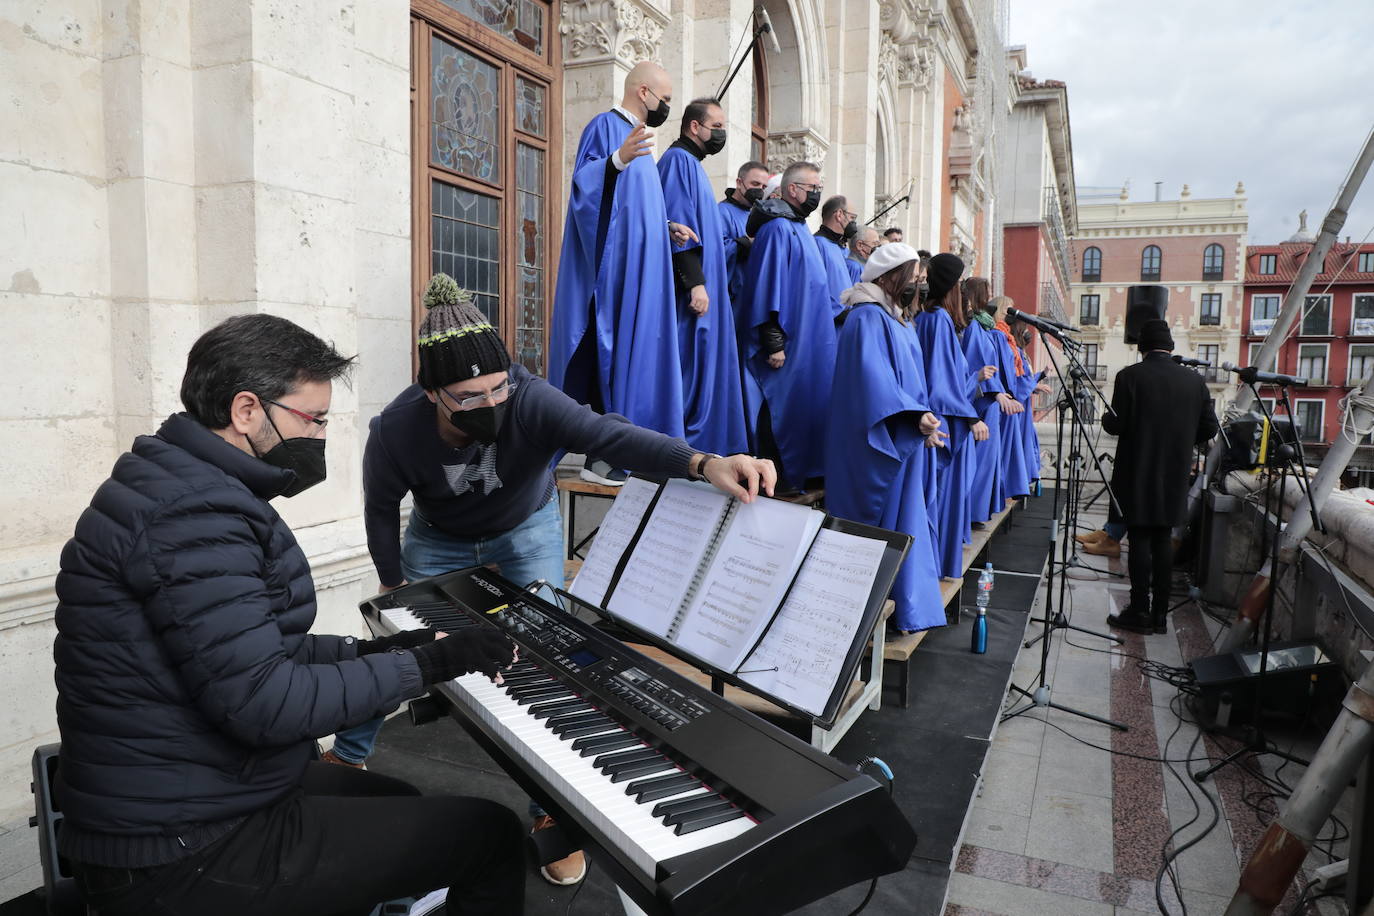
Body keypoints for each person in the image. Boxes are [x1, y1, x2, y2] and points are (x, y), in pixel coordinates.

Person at [51, 314, 526, 916]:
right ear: (247, 410)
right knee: (490, 835)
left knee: (395, 795)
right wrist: (428, 664)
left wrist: (373, 653)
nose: (323, 437)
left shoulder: (185, 484)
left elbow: (256, 650)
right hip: (175, 850)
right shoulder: (192, 516)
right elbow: (265, 703)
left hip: (199, 790)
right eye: (315, 419)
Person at [341, 274, 777, 883]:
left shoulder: (531, 399)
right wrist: (392, 585)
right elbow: (379, 510)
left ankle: (551, 813)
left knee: (553, 652)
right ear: (432, 391)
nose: (490, 403)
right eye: (469, 396)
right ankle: (347, 759)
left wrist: (703, 463)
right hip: (437, 538)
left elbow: (611, 435)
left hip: (527, 525)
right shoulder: (395, 430)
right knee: (404, 641)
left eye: (498, 386)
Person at [549, 60, 697, 485]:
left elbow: (632, 208)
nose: (667, 106)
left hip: (645, 272)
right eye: (665, 99)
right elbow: (585, 189)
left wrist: (665, 227)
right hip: (617, 277)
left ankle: (647, 453)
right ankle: (608, 457)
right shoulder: (607, 127)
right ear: (644, 92)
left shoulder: (643, 144)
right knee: (613, 357)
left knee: (644, 359)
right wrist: (615, 160)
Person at [825, 243, 948, 632]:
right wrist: (913, 419)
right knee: (893, 521)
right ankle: (892, 609)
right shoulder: (866, 318)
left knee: (909, 518)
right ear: (891, 276)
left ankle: (909, 606)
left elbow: (911, 382)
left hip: (905, 436)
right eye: (915, 277)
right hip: (880, 440)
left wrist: (922, 423)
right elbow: (871, 382)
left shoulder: (896, 319)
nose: (919, 285)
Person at [1102, 319, 1219, 634]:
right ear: (1171, 347)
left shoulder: (1129, 377)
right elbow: (1209, 428)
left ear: (1141, 347)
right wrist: (1180, 441)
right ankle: (1159, 616)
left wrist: (1105, 418)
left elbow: (1117, 424)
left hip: (1136, 470)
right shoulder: (1194, 382)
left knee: (1139, 538)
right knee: (1163, 539)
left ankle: (1138, 611)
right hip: (1174, 471)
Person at [657, 98, 749, 456]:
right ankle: (687, 452)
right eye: (718, 125)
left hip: (706, 294)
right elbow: (682, 226)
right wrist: (695, 282)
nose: (722, 133)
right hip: (692, 297)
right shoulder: (679, 161)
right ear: (695, 127)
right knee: (692, 374)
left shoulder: (691, 163)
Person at [739, 161, 838, 488]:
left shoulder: (797, 227)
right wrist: (773, 342)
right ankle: (778, 481)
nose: (817, 193)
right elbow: (766, 286)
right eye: (812, 188)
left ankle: (803, 476)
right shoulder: (777, 229)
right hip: (787, 348)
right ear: (792, 189)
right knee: (780, 412)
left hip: (809, 344)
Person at [913, 254, 988, 579]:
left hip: (940, 418)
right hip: (943, 424)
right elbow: (942, 383)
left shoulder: (929, 318)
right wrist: (971, 417)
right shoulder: (939, 320)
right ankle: (938, 567)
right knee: (942, 499)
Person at [963, 280, 1022, 521]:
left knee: (989, 462)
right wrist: (995, 392)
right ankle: (973, 514)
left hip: (990, 402)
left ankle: (980, 511)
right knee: (981, 462)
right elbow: (976, 363)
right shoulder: (976, 329)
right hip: (981, 403)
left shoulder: (986, 330)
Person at [987, 296, 1032, 499]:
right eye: (1007, 308)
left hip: (1010, 397)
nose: (1011, 313)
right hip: (1004, 400)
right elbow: (1003, 371)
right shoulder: (997, 335)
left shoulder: (1007, 338)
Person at [718, 160, 769, 304]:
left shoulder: (758, 215)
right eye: (755, 184)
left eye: (764, 186)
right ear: (739, 182)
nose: (760, 190)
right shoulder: (721, 212)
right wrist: (747, 243)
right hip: (732, 298)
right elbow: (716, 251)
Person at [814, 195, 859, 303]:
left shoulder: (840, 246)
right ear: (839, 215)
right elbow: (816, 286)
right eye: (852, 217)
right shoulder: (817, 244)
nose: (854, 223)